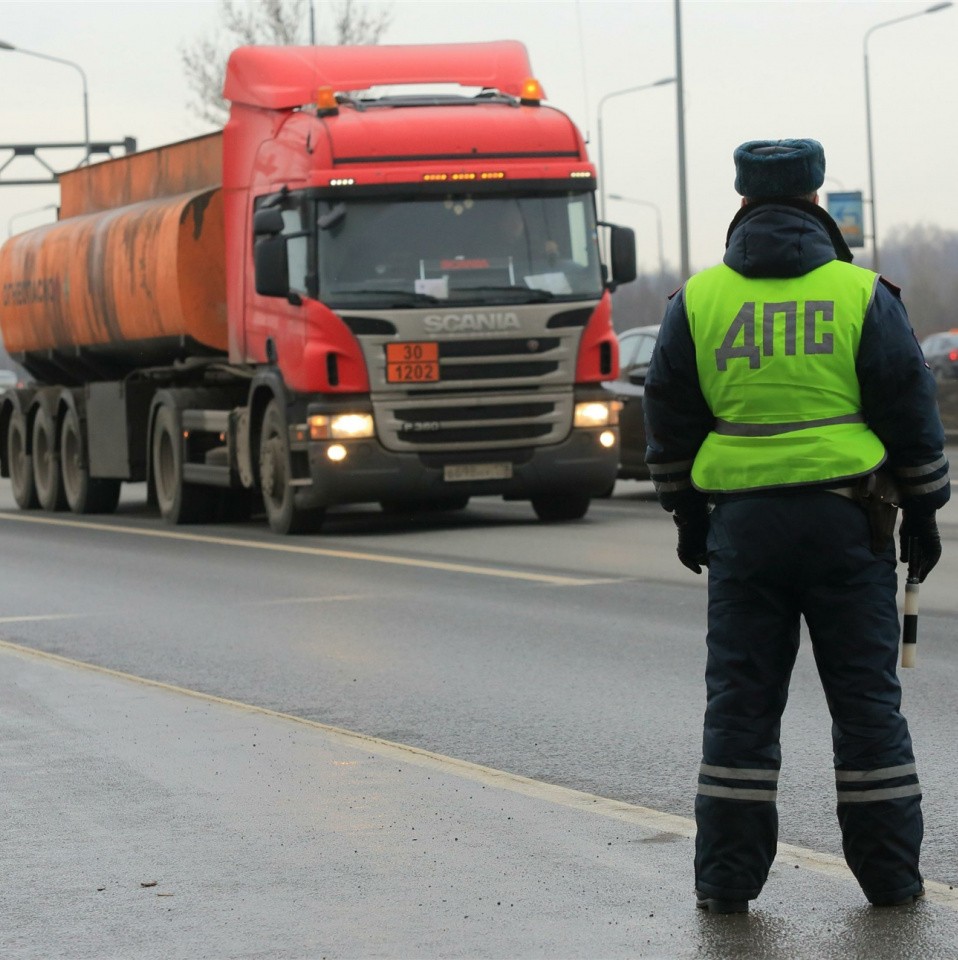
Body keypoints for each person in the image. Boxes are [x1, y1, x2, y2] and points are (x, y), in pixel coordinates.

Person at [643, 138, 949, 914]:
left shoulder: (698, 301)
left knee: (741, 708)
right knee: (867, 708)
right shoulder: (861, 294)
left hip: (742, 533)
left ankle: (724, 885)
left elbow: (669, 418)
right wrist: (924, 510)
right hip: (850, 528)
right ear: (817, 202)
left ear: (741, 205)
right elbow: (909, 409)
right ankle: (891, 882)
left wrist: (685, 512)